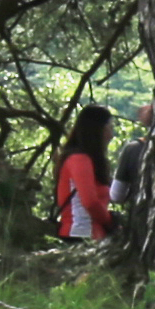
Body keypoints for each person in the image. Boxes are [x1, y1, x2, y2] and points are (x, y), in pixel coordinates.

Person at [51, 102, 119, 253]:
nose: (111, 134)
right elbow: (90, 202)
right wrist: (110, 221)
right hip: (79, 234)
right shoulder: (80, 160)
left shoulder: (85, 159)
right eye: (109, 127)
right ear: (97, 130)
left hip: (90, 235)